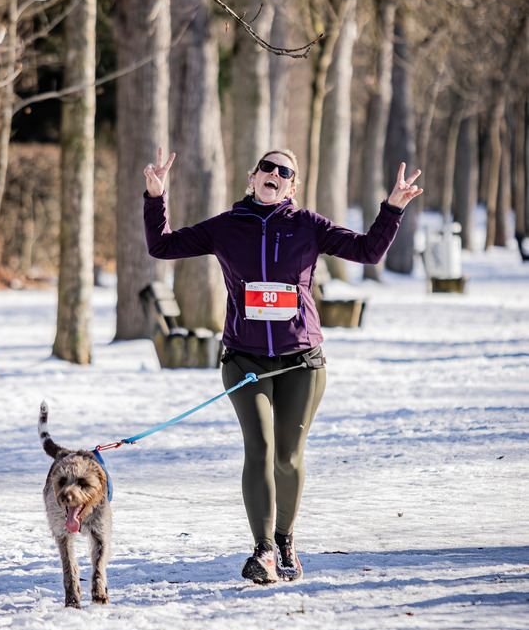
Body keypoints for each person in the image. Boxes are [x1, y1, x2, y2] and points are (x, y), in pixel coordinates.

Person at [143, 147, 422, 584]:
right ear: (252, 178)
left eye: (285, 171)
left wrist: (392, 209)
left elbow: (368, 251)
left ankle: (285, 538)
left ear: (292, 186)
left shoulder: (308, 226)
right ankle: (264, 551)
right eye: (267, 167)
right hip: (244, 358)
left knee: (288, 458)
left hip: (301, 361)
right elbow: (162, 246)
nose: (275, 173)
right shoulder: (226, 227)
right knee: (259, 449)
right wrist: (156, 196)